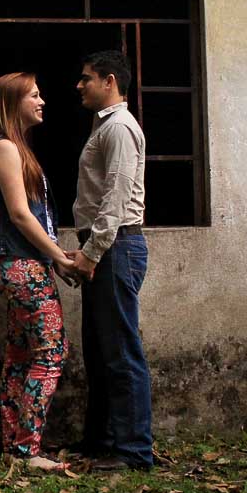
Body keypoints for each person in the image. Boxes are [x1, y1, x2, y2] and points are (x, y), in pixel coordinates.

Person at [0, 72, 78, 472]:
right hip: (20, 264)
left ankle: (13, 447)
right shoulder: (4, 148)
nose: (42, 101)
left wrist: (53, 252)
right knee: (52, 351)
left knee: (22, 354)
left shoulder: (17, 149)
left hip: (21, 262)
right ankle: (26, 450)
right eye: (34, 95)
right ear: (12, 102)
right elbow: (20, 214)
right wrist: (57, 255)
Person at [69, 50, 152, 471]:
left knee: (120, 352)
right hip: (106, 247)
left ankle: (134, 451)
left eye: (87, 78)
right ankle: (100, 442)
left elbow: (115, 197)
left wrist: (91, 253)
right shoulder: (105, 127)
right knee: (101, 352)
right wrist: (86, 250)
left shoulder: (118, 128)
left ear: (110, 81)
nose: (80, 85)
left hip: (116, 246)